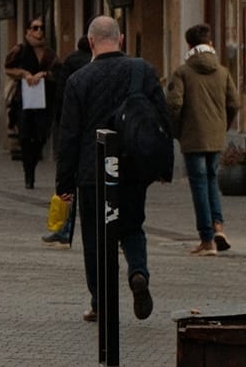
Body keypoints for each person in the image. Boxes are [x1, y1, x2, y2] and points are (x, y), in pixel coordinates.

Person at [55, 16, 163, 323]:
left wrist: (64, 184)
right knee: (132, 227)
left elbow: (69, 136)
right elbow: (162, 119)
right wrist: (159, 165)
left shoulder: (79, 80)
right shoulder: (143, 71)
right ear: (122, 39)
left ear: (91, 42)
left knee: (95, 239)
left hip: (93, 171)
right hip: (132, 168)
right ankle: (138, 272)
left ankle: (100, 301)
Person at [166, 23, 240, 255]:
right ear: (210, 43)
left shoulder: (183, 72)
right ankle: (219, 227)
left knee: (199, 184)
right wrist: (222, 125)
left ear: (189, 45)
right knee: (211, 180)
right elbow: (234, 103)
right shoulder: (222, 72)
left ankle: (207, 240)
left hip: (192, 136)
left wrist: (177, 130)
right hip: (215, 136)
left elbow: (174, 104)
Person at [42, 28, 94, 249]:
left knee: (69, 182)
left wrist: (59, 123)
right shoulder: (105, 64)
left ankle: (64, 230)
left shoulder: (72, 62)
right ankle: (115, 234)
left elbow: (62, 95)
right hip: (102, 133)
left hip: (76, 131)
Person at [4, 17, 58, 189]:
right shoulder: (20, 50)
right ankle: (29, 173)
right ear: (28, 31)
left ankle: (34, 160)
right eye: (35, 28)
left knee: (41, 136)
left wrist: (44, 75)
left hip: (45, 101)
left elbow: (58, 72)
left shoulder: (49, 53)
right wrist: (24, 74)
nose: (39, 31)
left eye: (41, 28)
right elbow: (8, 68)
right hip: (24, 100)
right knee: (26, 137)